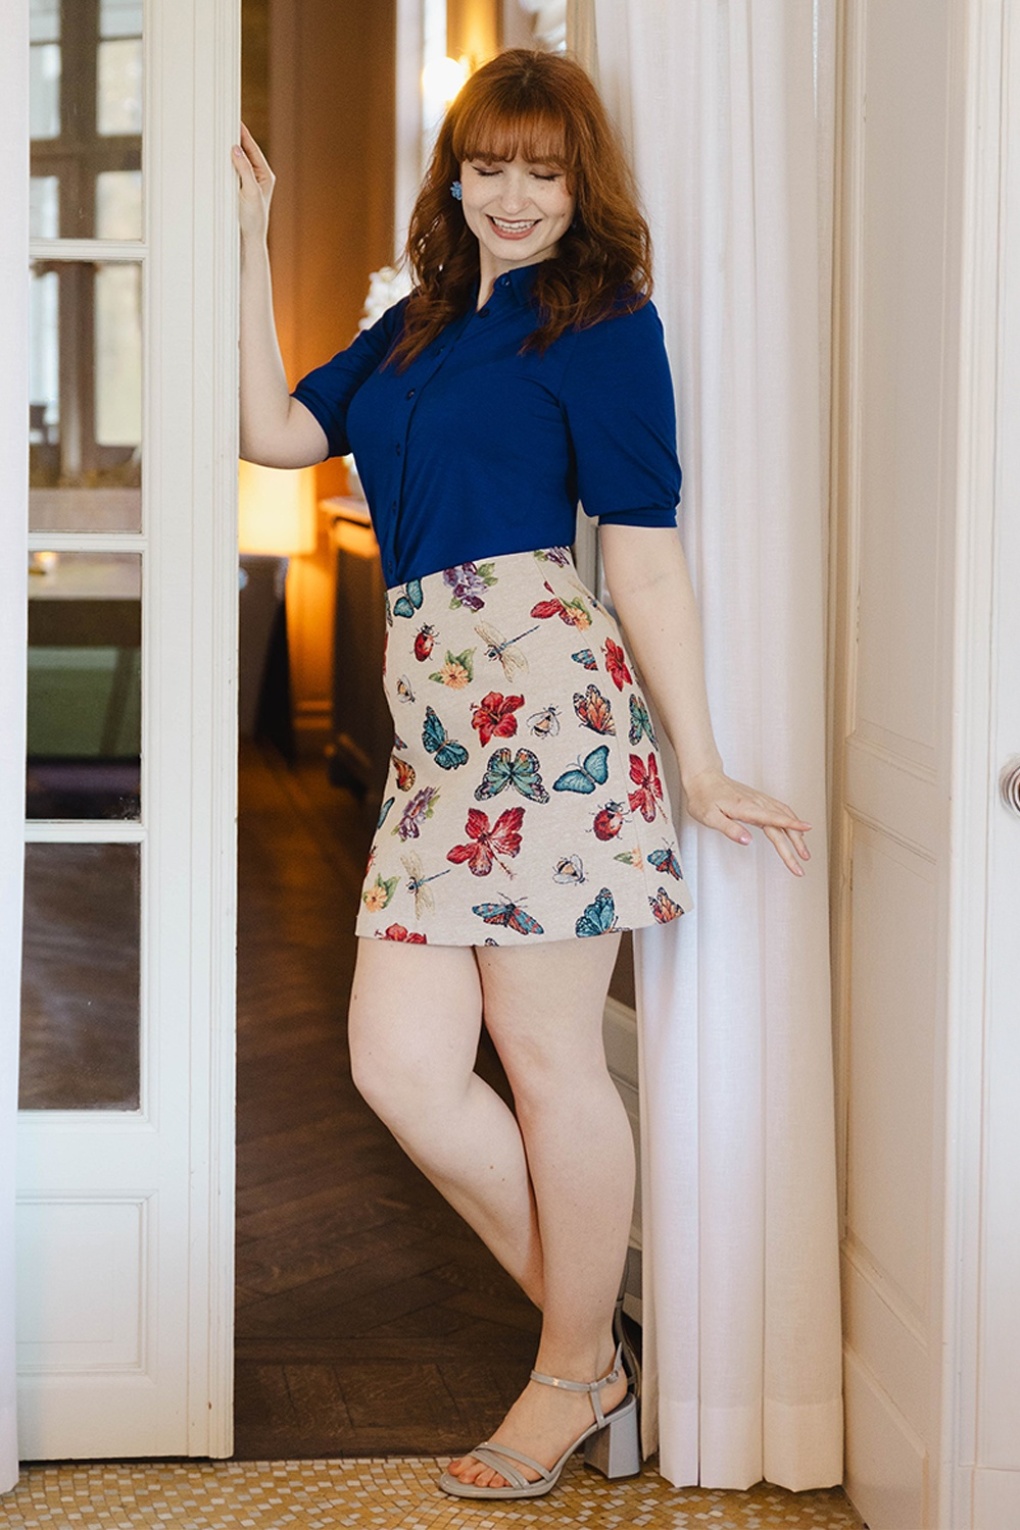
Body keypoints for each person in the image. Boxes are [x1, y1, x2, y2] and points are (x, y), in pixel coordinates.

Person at [233, 47, 810, 1503]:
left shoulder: (605, 325)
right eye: (488, 167)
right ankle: (597, 1348)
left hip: (553, 722)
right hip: (436, 735)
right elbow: (273, 432)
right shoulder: (413, 324)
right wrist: (248, 242)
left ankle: (563, 1375)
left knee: (548, 1064)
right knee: (400, 1067)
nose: (511, 197)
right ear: (455, 177)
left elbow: (645, 558)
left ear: (578, 183)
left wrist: (700, 762)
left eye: (540, 173)